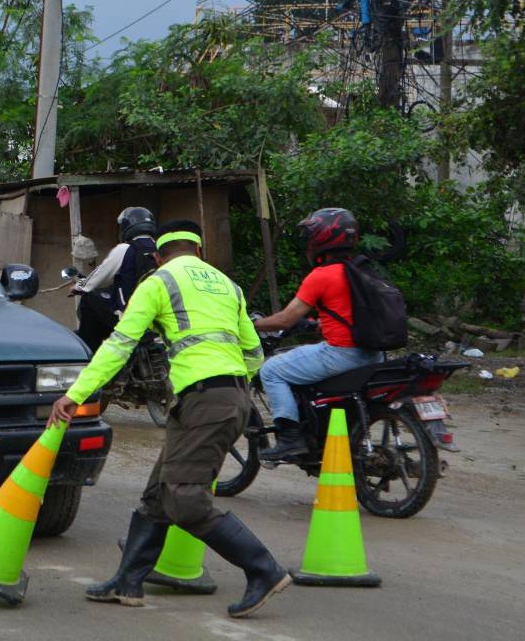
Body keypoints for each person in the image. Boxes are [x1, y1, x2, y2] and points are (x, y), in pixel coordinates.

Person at [49, 220, 291, 619]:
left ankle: (263, 570)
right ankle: (128, 582)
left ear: (158, 256)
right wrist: (232, 389)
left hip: (202, 400)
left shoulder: (158, 282)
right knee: (158, 494)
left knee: (184, 500)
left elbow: (119, 345)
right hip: (227, 397)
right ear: (199, 252)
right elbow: (253, 353)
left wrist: (75, 395)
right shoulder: (227, 286)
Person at [252, 208, 385, 462]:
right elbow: (351, 311)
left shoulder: (322, 275)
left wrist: (256, 325)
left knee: (272, 370)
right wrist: (321, 324)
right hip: (374, 356)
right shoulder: (361, 270)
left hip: (342, 355)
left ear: (321, 238)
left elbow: (286, 319)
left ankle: (290, 439)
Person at [71, 207, 158, 352]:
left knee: (89, 297)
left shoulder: (125, 249)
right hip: (159, 318)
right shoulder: (162, 249)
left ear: (125, 227)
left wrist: (78, 286)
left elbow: (97, 278)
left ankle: (88, 351)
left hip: (130, 317)